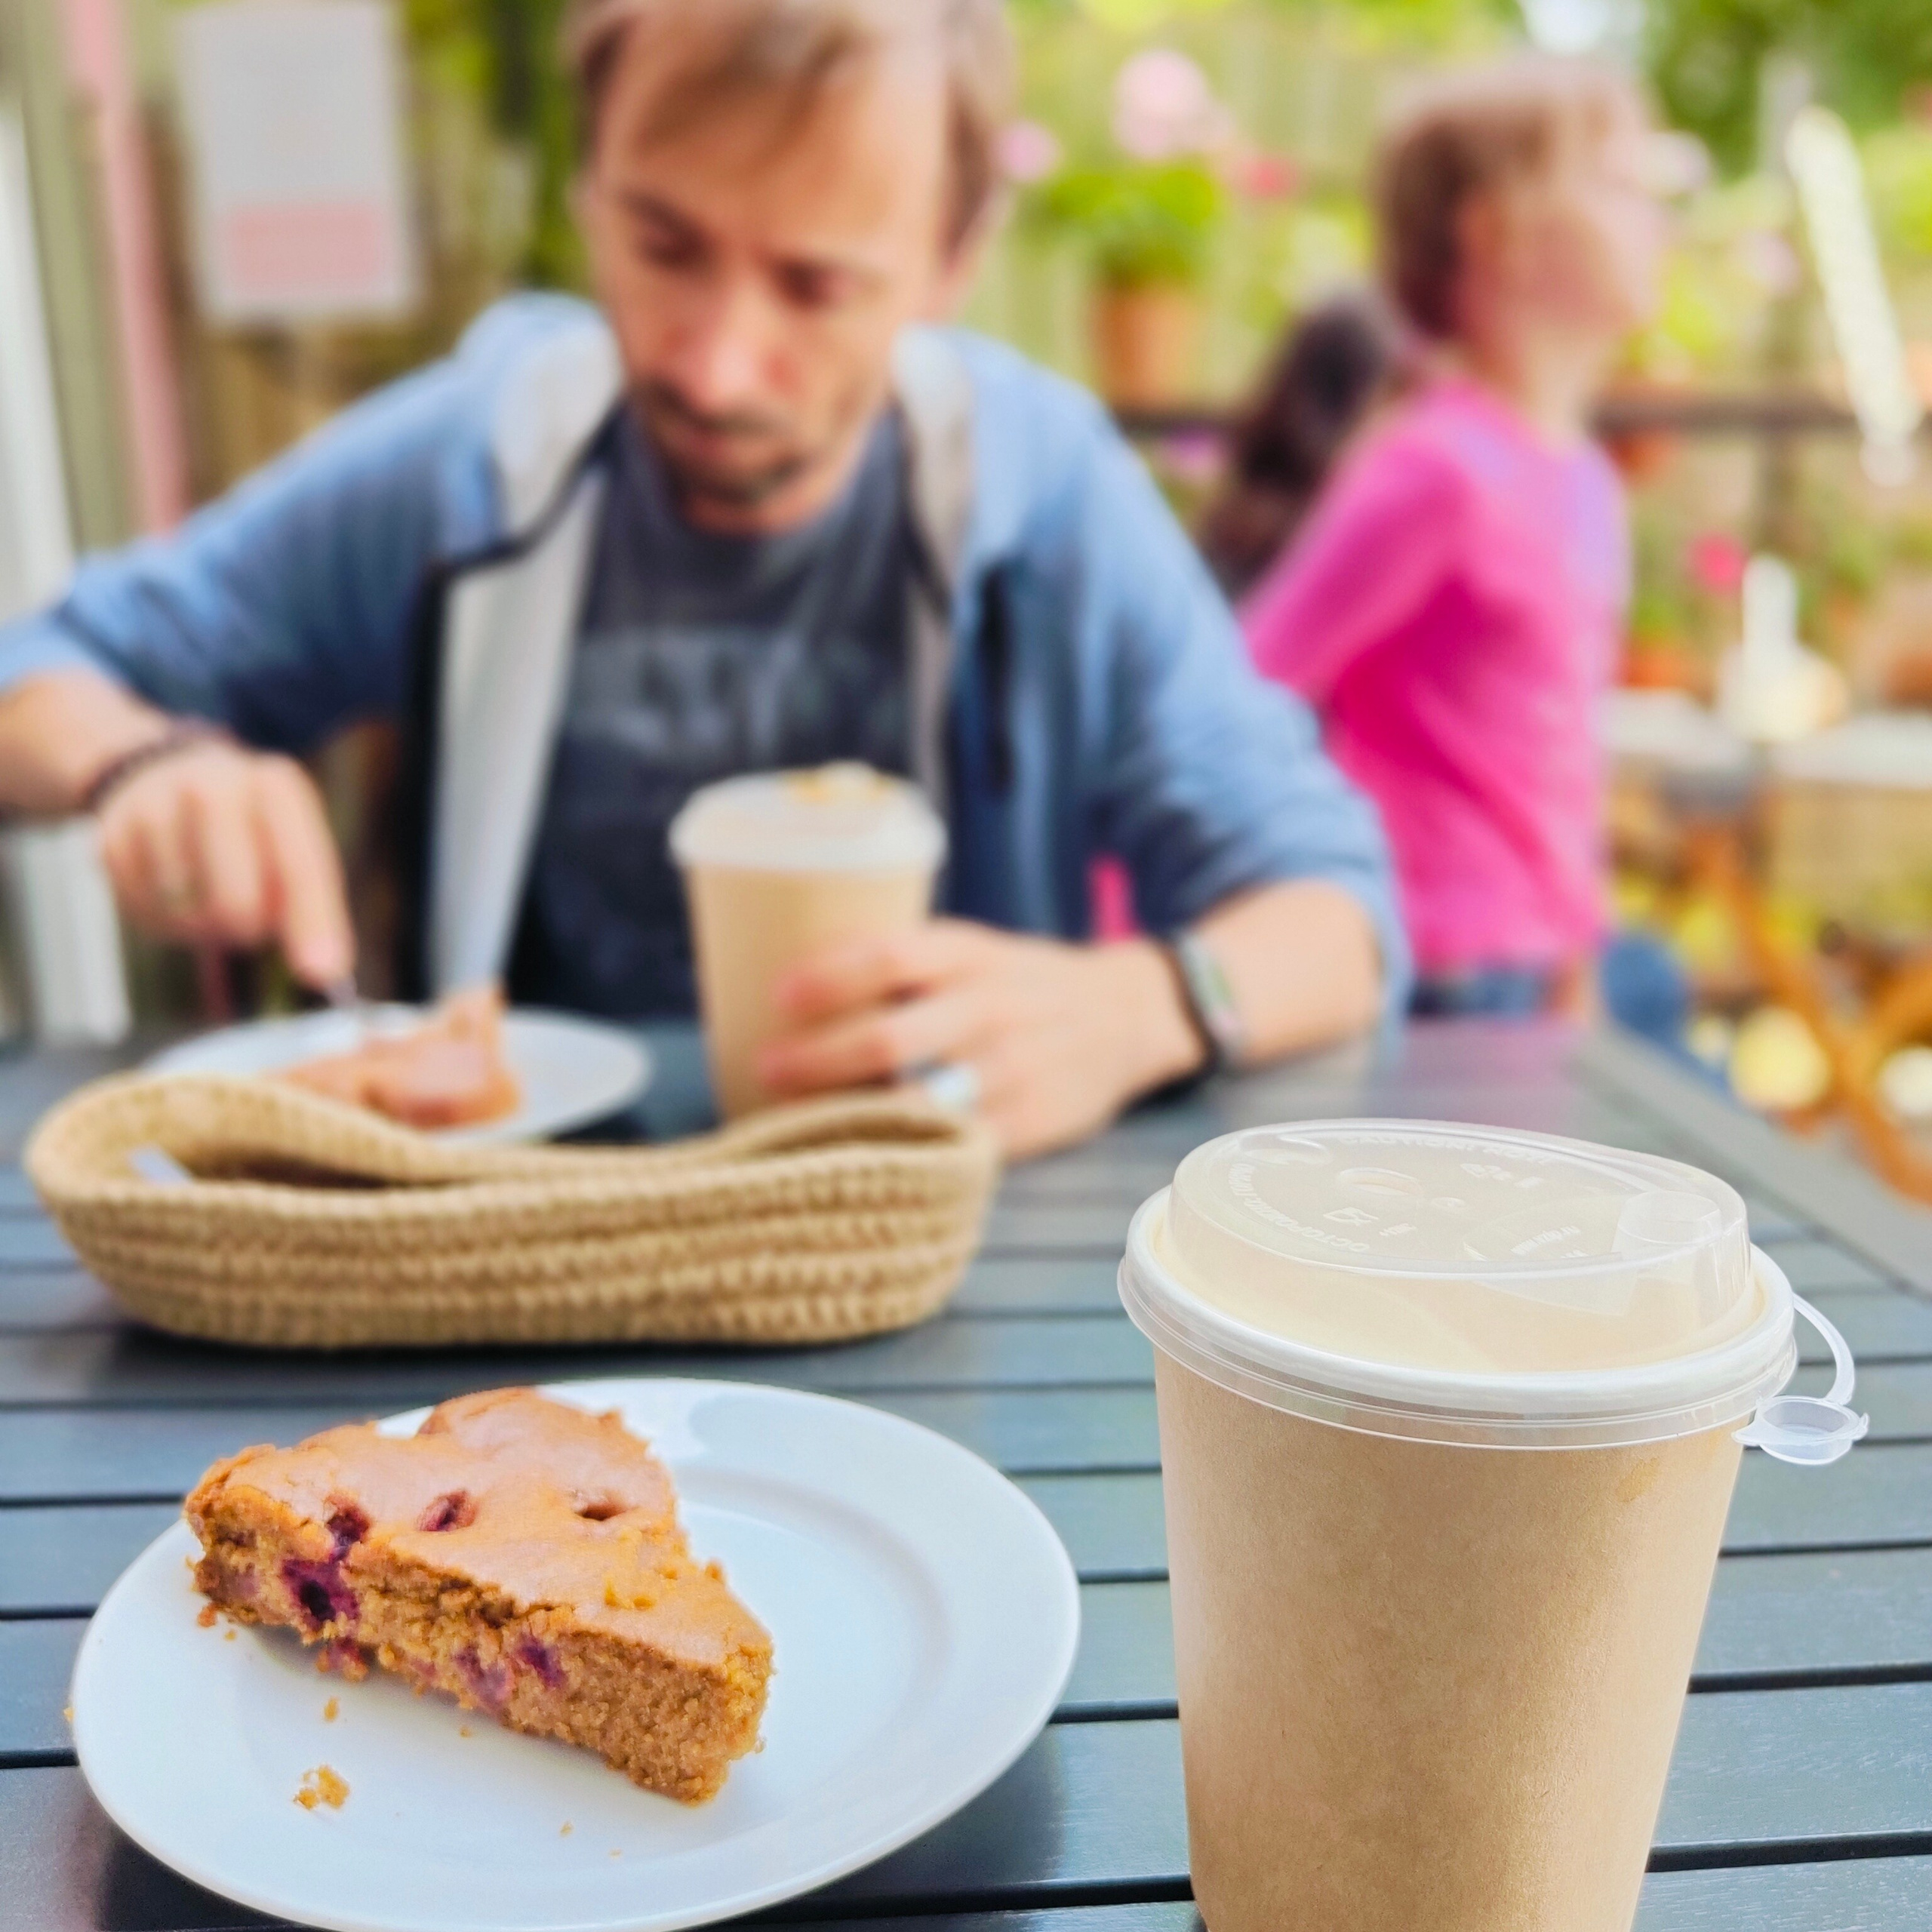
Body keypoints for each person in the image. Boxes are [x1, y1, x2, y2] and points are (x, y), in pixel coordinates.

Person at [0, 0, 1403, 1158]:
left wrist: (1148, 1004)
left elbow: (1333, 912)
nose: (714, 364)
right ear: (585, 190)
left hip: (936, 1262)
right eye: (663, 243)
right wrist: (141, 764)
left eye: (814, 284)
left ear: (950, 260)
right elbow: (39, 671)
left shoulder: (1043, 495)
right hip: (509, 1268)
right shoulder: (471, 463)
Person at [1223, 57, 1664, 1017]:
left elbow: (1565, 748)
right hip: (1434, 966)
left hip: (1533, 961)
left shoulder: (1585, 476)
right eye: (1621, 185)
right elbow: (1249, 681)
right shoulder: (1436, 469)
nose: (1655, 214)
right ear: (1496, 233)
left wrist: (1577, 943)